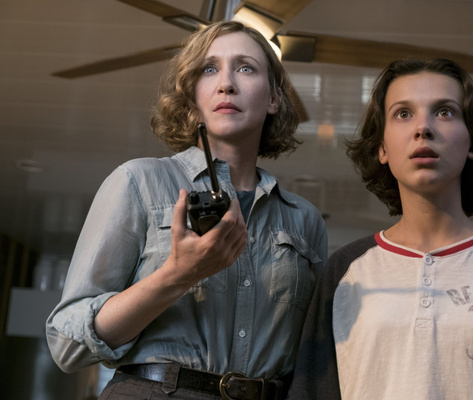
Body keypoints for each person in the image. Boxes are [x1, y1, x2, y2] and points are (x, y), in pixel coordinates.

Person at [46, 20, 327, 400]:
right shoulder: (138, 182)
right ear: (192, 100)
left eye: (246, 68)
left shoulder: (304, 220)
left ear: (274, 98)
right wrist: (178, 275)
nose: (226, 84)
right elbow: (67, 345)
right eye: (209, 69)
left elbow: (311, 358)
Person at [287, 58, 473, 399]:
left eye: (444, 112)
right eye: (403, 113)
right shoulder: (345, 270)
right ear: (382, 148)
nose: (423, 128)